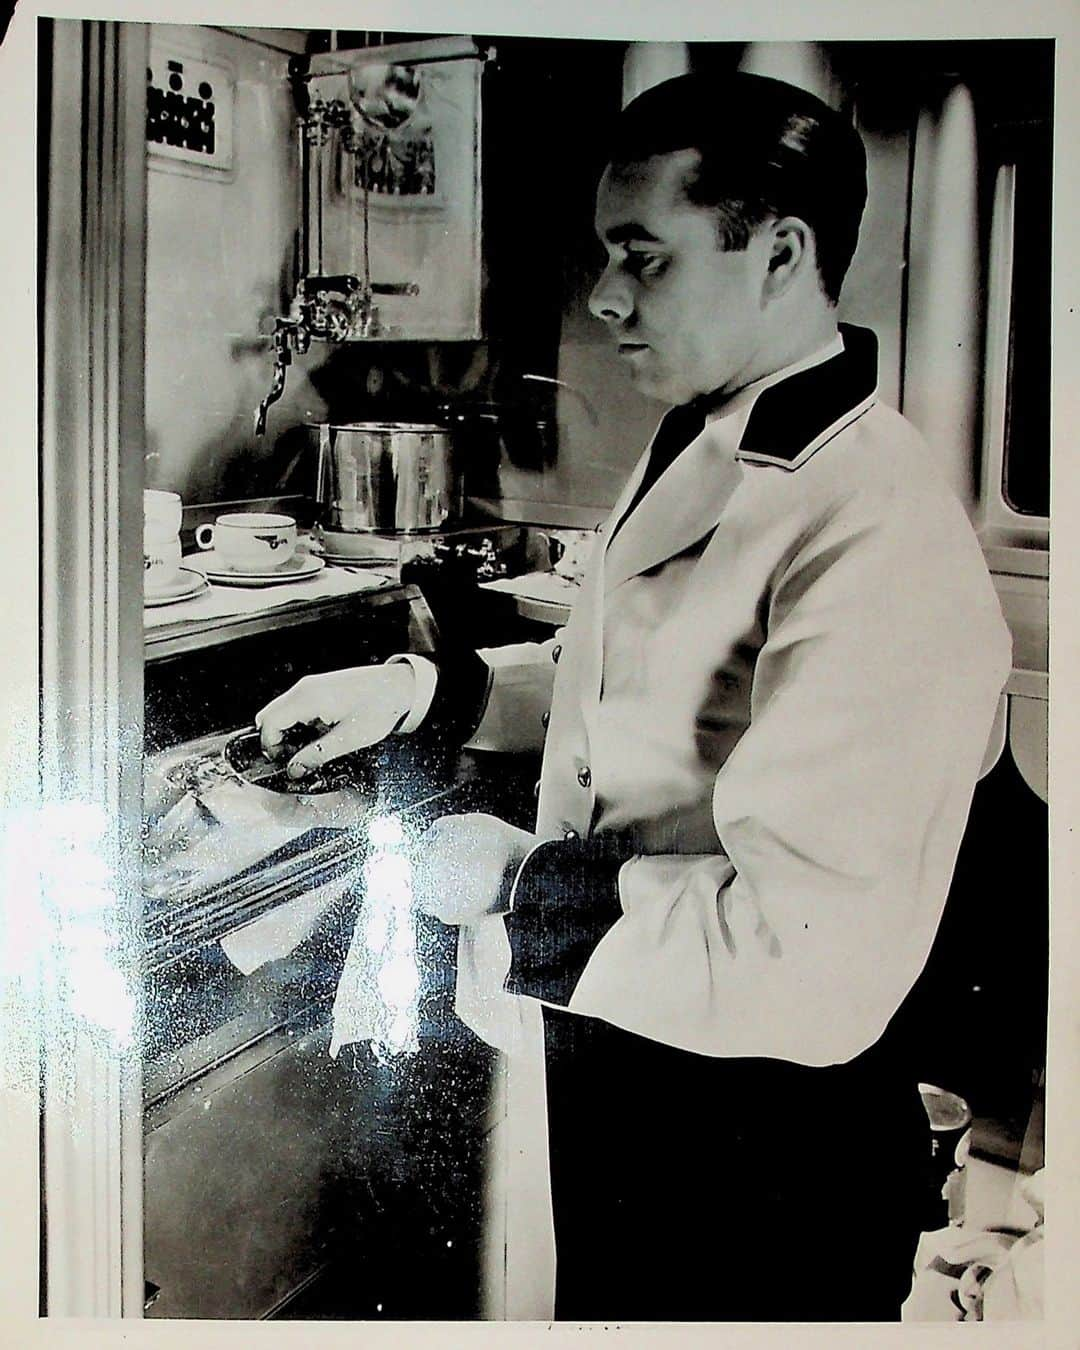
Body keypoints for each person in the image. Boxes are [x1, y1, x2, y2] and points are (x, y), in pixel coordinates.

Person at [257, 71, 1012, 1322]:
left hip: (762, 1135)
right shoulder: (710, 440)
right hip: (633, 1050)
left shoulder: (880, 533)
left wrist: (511, 881)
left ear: (780, 254)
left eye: (642, 257)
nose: (605, 295)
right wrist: (413, 694)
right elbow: (633, 693)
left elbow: (806, 957)